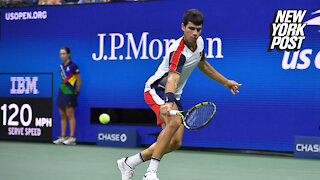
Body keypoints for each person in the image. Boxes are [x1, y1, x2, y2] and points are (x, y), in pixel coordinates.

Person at [117, 9, 242, 180]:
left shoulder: (200, 44)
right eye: (191, 29)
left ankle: (130, 162)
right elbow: (172, 80)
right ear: (183, 27)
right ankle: (151, 172)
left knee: (176, 142)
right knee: (174, 122)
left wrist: (225, 82)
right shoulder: (178, 51)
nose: (195, 33)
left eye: (199, 29)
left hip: (174, 94)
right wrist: (168, 101)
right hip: (157, 89)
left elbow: (203, 65)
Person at [53, 47, 82, 145]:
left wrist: (76, 93)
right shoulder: (61, 66)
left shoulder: (74, 66)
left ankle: (72, 137)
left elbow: (79, 81)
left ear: (69, 54)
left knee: (70, 114)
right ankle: (63, 136)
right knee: (62, 115)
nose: (62, 55)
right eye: (61, 54)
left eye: (64, 53)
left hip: (70, 93)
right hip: (61, 91)